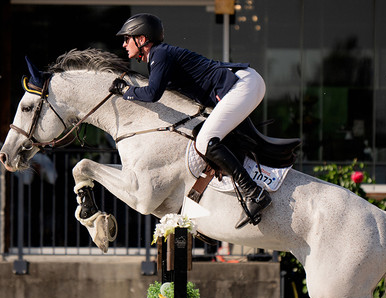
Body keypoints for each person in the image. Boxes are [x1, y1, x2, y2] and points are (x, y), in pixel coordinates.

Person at [111, 13, 270, 228]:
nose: (123, 44)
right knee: (202, 134)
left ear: (142, 39)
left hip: (242, 84)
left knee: (204, 140)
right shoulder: (159, 57)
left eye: (127, 39)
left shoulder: (160, 55)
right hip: (243, 83)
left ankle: (254, 192)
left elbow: (151, 94)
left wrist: (126, 90)